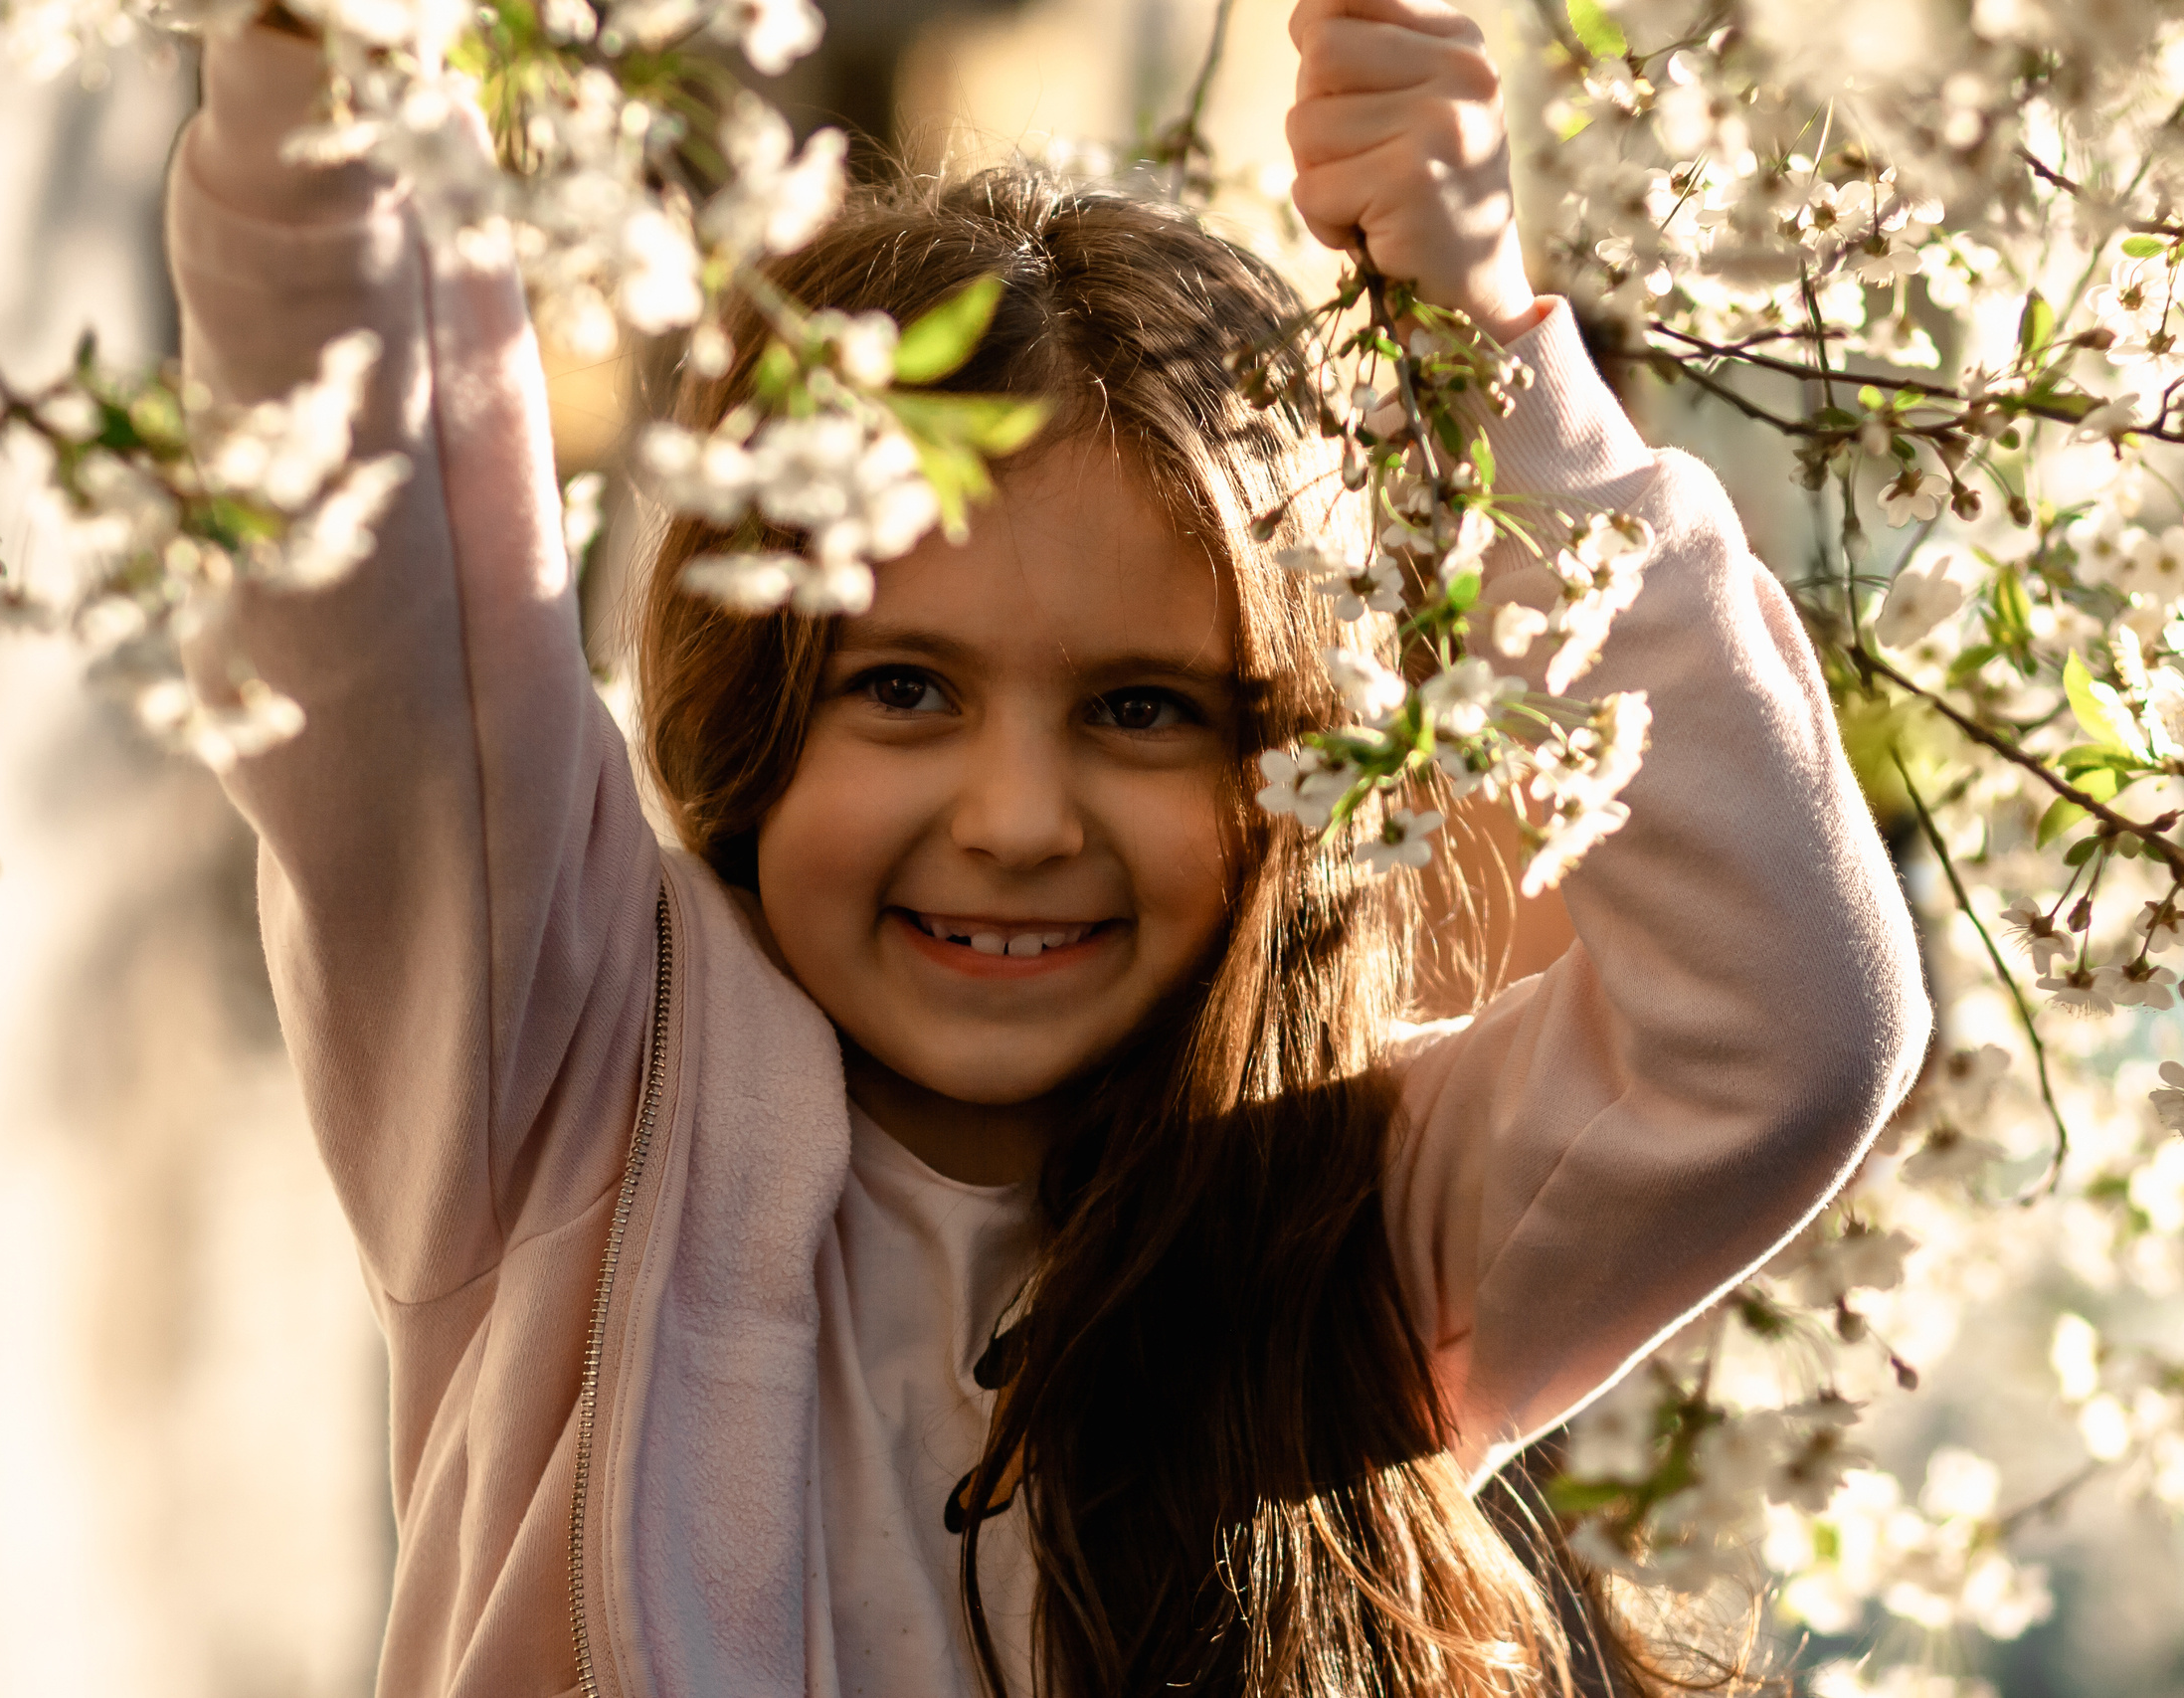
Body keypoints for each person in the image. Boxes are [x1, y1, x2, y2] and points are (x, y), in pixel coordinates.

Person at [166, 0, 1930, 1690]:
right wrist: (332, 69)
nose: (1015, 822)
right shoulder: (561, 1085)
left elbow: (1785, 1032)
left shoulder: (1356, 1229)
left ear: (1290, 772)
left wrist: (1489, 368)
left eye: (1143, 709)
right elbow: (372, 570)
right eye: (905, 689)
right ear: (747, 701)